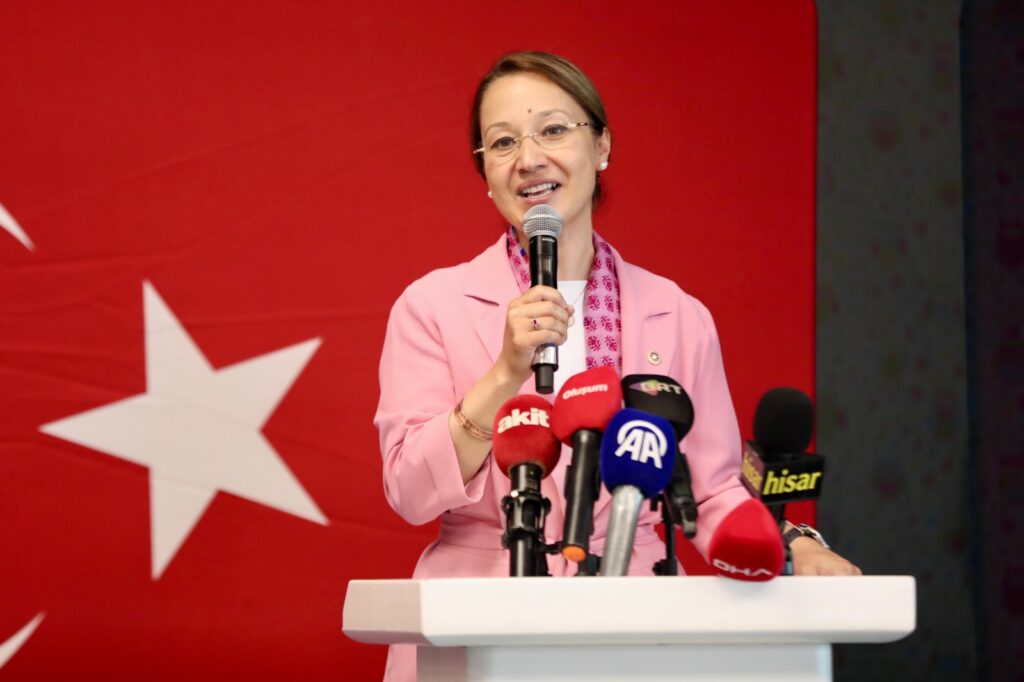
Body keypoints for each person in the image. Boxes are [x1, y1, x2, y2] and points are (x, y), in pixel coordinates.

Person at [374, 51, 860, 682]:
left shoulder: (678, 314)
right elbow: (410, 493)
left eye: (553, 130)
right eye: (503, 142)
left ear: (601, 146)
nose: (529, 158)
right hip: (475, 617)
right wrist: (504, 373)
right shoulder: (432, 305)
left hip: (639, 617)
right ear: (486, 172)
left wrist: (792, 546)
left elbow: (710, 491)